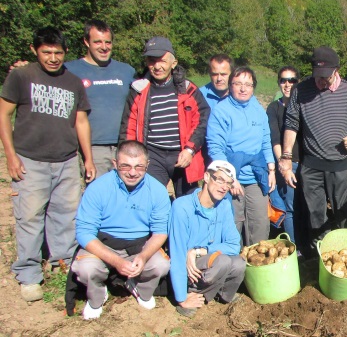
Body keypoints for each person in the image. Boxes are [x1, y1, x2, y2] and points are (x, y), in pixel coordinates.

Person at [0, 27, 95, 302]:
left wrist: (87, 158)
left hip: (66, 159)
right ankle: (29, 273)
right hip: (30, 158)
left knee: (66, 215)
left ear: (66, 53)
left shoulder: (73, 82)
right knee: (29, 216)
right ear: (34, 50)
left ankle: (63, 264)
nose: (52, 58)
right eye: (46, 52)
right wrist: (10, 155)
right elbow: (4, 115)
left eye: (58, 53)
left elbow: (80, 121)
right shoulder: (21, 76)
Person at [279, 46, 347, 250]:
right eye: (317, 76)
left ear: (336, 70)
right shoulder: (300, 91)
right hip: (312, 166)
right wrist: (285, 156)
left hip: (342, 165)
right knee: (316, 214)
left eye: (326, 77)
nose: (320, 81)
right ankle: (322, 254)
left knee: (344, 213)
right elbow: (292, 124)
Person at [71, 141, 171, 319]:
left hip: (139, 245)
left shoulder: (157, 190)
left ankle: (138, 286)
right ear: (115, 163)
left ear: (147, 165)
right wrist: (116, 261)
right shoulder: (97, 189)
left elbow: (160, 231)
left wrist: (144, 256)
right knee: (86, 268)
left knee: (161, 265)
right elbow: (84, 233)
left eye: (139, 166)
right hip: (104, 243)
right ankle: (97, 295)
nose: (133, 172)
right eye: (126, 166)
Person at [118, 36, 210, 198]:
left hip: (182, 154)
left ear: (173, 63)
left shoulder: (188, 89)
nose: (157, 66)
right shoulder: (138, 90)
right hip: (153, 154)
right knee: (150, 199)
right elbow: (129, 125)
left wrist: (190, 150)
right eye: (152, 61)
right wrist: (129, 156)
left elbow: (201, 121)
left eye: (162, 61)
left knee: (187, 202)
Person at [207, 66, 275, 245]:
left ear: (253, 87)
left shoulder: (258, 109)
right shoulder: (221, 111)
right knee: (233, 223)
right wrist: (230, 178)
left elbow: (265, 140)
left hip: (256, 176)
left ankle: (257, 266)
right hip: (230, 176)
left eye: (248, 84)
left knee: (259, 222)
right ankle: (234, 266)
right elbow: (216, 148)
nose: (243, 89)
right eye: (238, 84)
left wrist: (271, 169)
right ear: (230, 86)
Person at [168, 160, 246, 318]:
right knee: (222, 261)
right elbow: (177, 253)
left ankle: (222, 294)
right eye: (219, 180)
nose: (224, 187)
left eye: (229, 183)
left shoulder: (223, 206)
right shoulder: (182, 207)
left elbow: (234, 244)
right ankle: (192, 292)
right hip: (191, 268)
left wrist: (199, 251)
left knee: (239, 262)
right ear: (206, 177)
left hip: (208, 259)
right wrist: (181, 298)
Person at [65, 20, 136, 175]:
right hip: (91, 147)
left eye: (108, 42)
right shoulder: (70, 70)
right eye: (97, 42)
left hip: (124, 145)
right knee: (98, 194)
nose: (104, 47)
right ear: (86, 42)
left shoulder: (126, 71)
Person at [267, 66, 302, 245]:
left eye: (292, 80)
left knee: (302, 207)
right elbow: (274, 137)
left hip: (305, 164)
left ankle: (305, 243)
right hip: (287, 164)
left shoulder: (305, 105)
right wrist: (283, 163)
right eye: (283, 80)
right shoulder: (274, 108)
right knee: (290, 209)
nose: (287, 84)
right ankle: (294, 248)